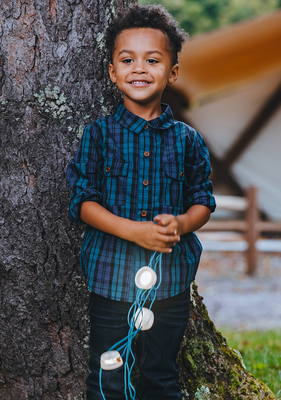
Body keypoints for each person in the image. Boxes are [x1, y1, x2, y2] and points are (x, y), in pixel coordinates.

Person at [66, 4, 216, 399]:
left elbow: (203, 200)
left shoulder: (187, 139)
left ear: (173, 71)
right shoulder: (98, 135)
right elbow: (83, 201)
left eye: (152, 59)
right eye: (127, 59)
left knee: (160, 375)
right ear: (113, 72)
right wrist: (134, 231)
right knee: (109, 375)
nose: (139, 68)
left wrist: (181, 224)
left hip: (170, 284)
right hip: (111, 281)